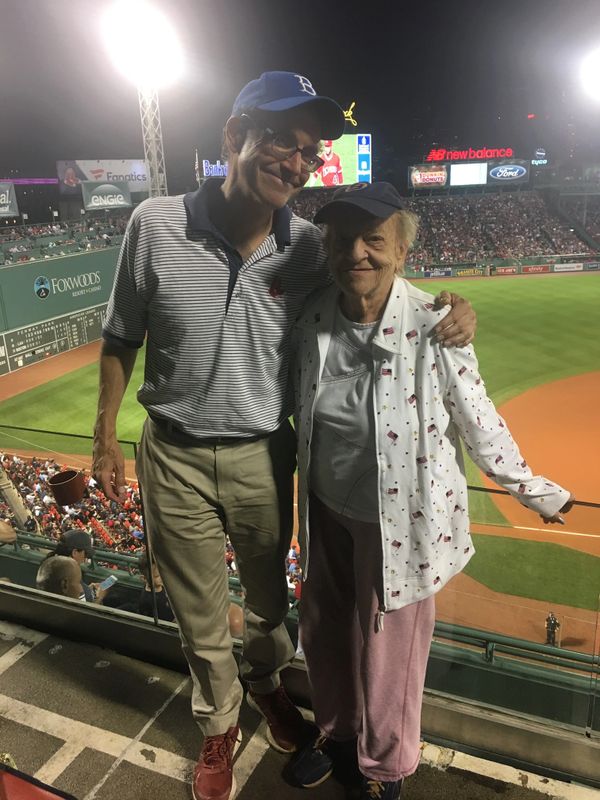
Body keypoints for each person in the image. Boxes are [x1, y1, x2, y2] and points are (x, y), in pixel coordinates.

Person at [91, 73, 476, 800]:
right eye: (282, 142)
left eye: (308, 152)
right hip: (170, 451)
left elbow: (379, 283)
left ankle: (268, 687)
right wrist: (104, 435)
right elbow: (120, 336)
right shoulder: (153, 224)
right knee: (198, 612)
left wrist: (455, 307)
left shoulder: (308, 248)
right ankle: (217, 726)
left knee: (271, 607)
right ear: (235, 137)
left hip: (265, 456)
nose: (297, 163)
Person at [290, 182, 574, 800]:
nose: (357, 254)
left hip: (403, 522)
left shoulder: (434, 325)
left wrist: (535, 490)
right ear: (327, 249)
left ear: (402, 250)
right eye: (343, 242)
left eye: (374, 240)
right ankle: (336, 735)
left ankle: (385, 768)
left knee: (390, 653)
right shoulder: (311, 314)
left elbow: (477, 419)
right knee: (324, 627)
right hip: (324, 507)